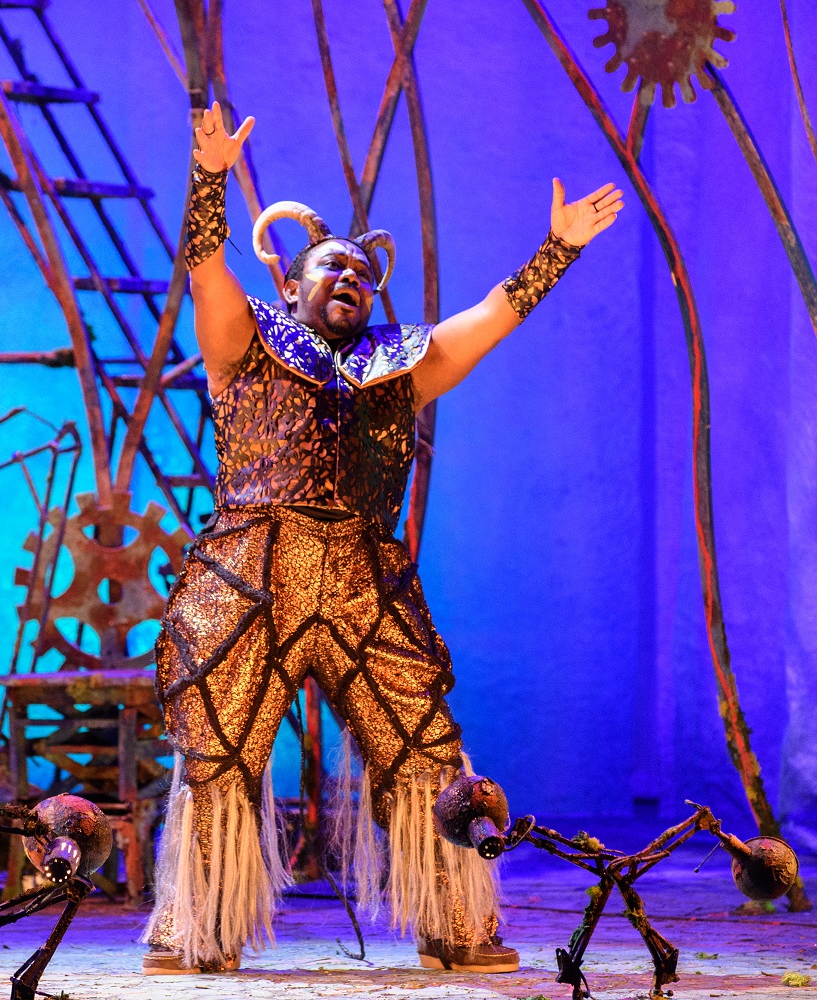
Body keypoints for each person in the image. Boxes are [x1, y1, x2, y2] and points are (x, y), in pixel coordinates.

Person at [142, 102, 623, 975]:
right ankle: (198, 930)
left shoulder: (398, 366)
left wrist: (557, 249)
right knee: (220, 749)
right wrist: (208, 175)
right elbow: (205, 268)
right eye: (332, 265)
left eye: (363, 272)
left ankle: (456, 921)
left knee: (422, 747)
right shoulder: (243, 341)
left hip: (365, 579)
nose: (351, 278)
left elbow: (489, 317)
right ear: (291, 283)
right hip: (252, 573)